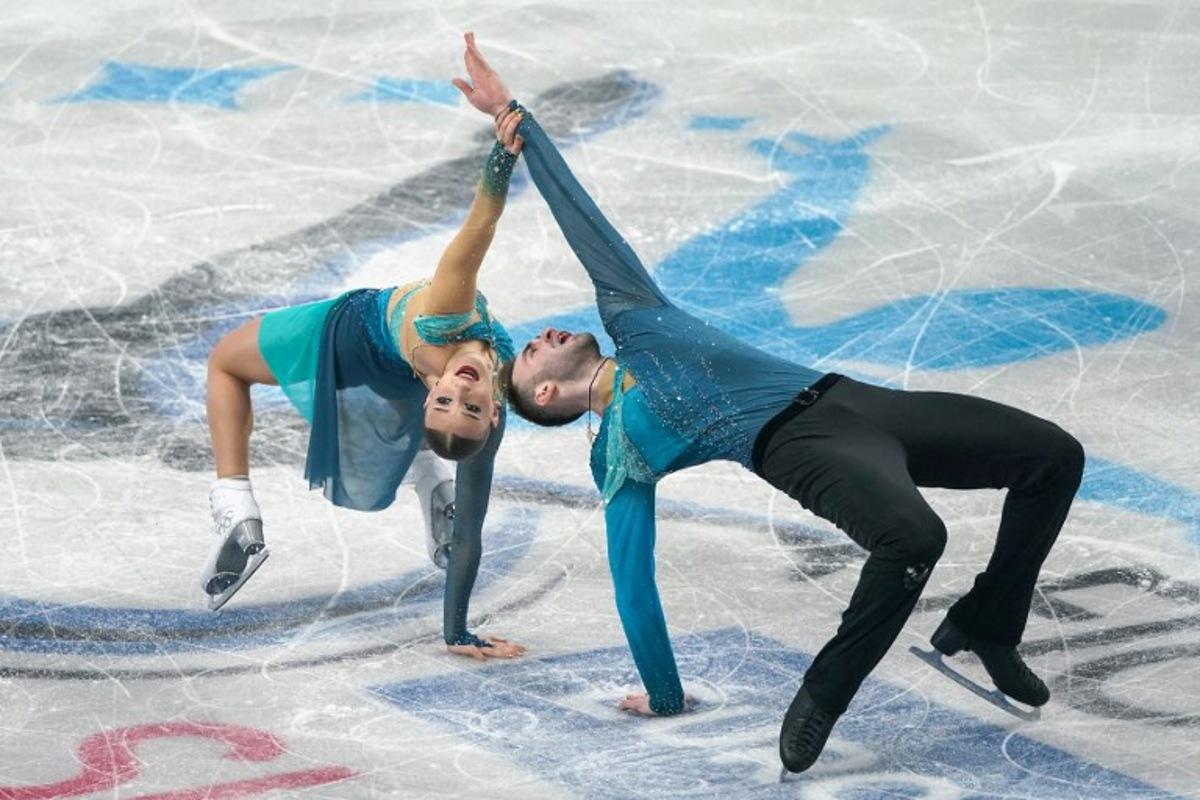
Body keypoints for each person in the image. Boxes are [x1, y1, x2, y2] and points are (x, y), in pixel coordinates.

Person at [454, 34, 1085, 770]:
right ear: (550, 396)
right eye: (533, 355)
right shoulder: (620, 448)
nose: (545, 335)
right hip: (800, 445)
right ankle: (824, 690)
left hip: (862, 403)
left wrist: (514, 115)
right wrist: (663, 693)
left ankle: (989, 623)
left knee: (1052, 458)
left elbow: (582, 220)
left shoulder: (633, 314)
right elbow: (634, 581)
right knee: (914, 539)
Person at [199, 82, 528, 661]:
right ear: (494, 409)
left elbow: (480, 225)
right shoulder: (487, 377)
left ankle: (236, 509)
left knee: (226, 361)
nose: (463, 392)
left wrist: (456, 633)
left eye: (453, 404)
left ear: (431, 395)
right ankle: (435, 488)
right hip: (385, 365)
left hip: (345, 334)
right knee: (232, 364)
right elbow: (479, 226)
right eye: (467, 403)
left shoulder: (447, 314)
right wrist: (504, 131)